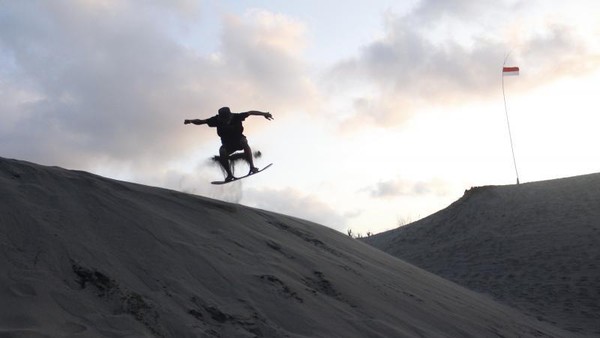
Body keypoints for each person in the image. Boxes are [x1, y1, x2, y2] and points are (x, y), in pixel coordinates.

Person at [185, 107, 273, 182]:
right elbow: (201, 121)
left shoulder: (237, 116)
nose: (225, 121)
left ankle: (252, 167)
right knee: (222, 151)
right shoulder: (216, 120)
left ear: (229, 116)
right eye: (222, 120)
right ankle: (229, 175)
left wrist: (264, 113)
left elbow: (251, 112)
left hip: (239, 140)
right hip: (228, 145)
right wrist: (190, 121)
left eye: (226, 119)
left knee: (244, 142)